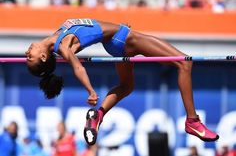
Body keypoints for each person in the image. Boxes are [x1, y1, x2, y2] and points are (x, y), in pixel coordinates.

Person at [25, 18, 219, 145]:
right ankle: (192, 121)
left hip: (117, 41)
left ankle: (98, 115)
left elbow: (91, 28)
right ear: (43, 57)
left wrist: (114, 27)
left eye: (27, 56)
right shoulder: (63, 45)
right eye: (30, 57)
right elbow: (78, 67)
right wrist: (91, 91)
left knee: (127, 86)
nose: (27, 53)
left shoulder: (56, 37)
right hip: (125, 39)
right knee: (184, 63)